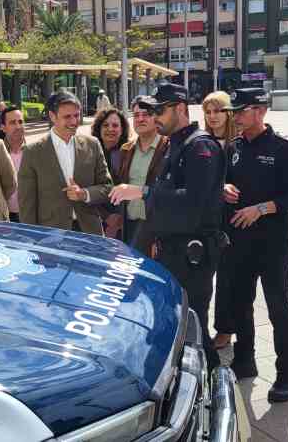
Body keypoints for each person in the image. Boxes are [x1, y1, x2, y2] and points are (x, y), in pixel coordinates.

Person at [109, 83, 226, 370]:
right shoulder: (178, 143)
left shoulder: (200, 147)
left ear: (181, 109)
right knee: (178, 323)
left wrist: (144, 192)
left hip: (192, 255)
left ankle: (214, 381)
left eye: (160, 110)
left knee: (193, 325)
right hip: (172, 250)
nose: (155, 116)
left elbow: (195, 201)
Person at [220, 88, 288, 403]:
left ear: (259, 111)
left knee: (278, 308)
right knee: (240, 303)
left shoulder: (285, 148)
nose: (236, 116)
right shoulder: (234, 147)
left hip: (272, 243)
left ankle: (287, 374)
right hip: (240, 241)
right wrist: (224, 189)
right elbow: (225, 182)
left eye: (241, 111)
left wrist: (262, 208)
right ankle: (245, 360)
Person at [18, 90, 113, 235]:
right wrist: (32, 238)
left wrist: (84, 194)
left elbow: (107, 187)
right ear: (52, 116)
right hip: (51, 236)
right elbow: (27, 203)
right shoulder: (32, 152)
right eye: (67, 117)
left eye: (76, 115)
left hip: (89, 233)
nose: (74, 121)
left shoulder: (92, 144)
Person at [105, 95, 169, 252]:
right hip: (130, 228)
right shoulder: (125, 150)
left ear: (157, 117)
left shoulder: (169, 148)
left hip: (158, 230)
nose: (140, 119)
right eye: (136, 115)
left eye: (146, 114)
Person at [202, 91, 238, 351]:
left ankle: (225, 329)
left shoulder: (237, 143)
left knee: (227, 279)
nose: (213, 117)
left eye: (218, 111)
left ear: (229, 113)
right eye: (208, 112)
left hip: (231, 220)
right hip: (205, 220)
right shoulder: (200, 141)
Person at [0, 106, 26, 222]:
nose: (18, 126)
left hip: (29, 215)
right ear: (3, 128)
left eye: (20, 122)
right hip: (5, 217)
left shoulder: (35, 152)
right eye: (12, 123)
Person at [91, 108, 131, 184]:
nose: (110, 129)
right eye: (105, 125)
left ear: (122, 129)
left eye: (115, 125)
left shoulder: (130, 152)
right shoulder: (90, 152)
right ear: (99, 128)